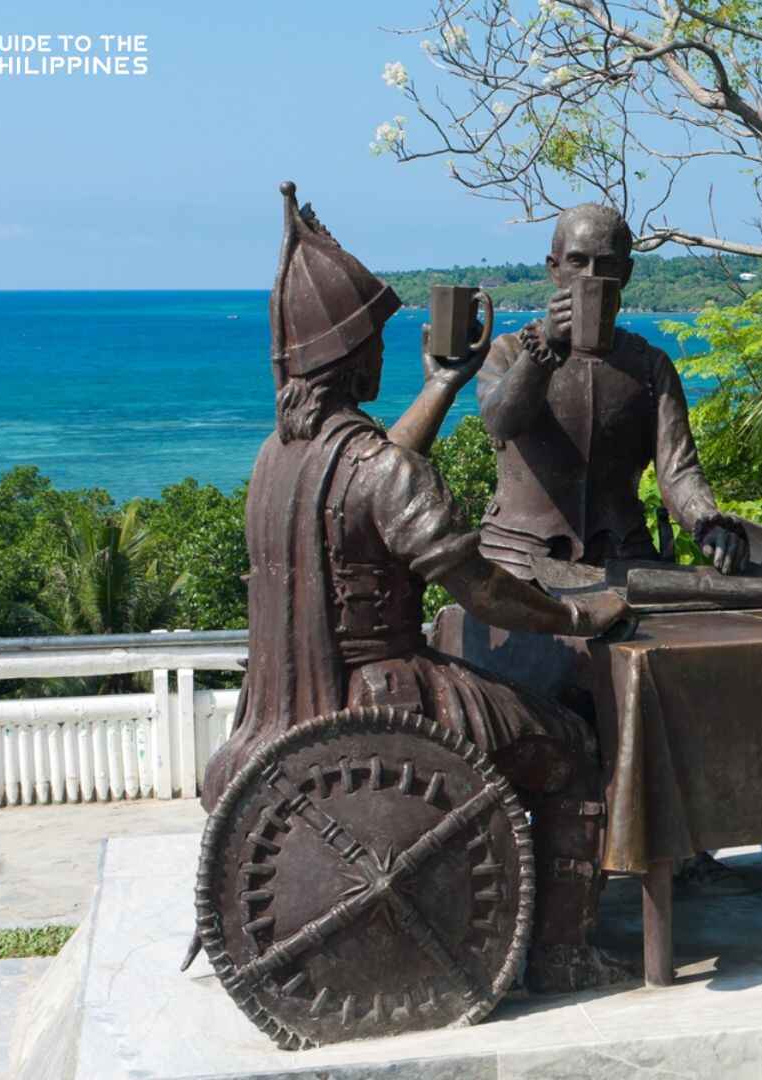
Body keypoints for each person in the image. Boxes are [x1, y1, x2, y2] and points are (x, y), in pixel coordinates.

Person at [202, 182, 632, 991]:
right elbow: (480, 589)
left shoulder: (274, 460)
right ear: (351, 357)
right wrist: (573, 611)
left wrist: (442, 382)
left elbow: (379, 470)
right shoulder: (375, 468)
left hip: (276, 707)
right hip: (383, 691)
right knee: (571, 750)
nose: (379, 351)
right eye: (373, 340)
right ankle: (560, 955)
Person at [474, 203, 747, 578]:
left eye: (606, 265)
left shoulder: (650, 365)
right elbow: (501, 422)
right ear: (554, 268)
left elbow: (678, 470)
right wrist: (545, 349)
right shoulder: (509, 352)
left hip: (624, 558)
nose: (591, 276)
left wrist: (707, 522)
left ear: (627, 273)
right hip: (518, 559)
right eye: (577, 262)